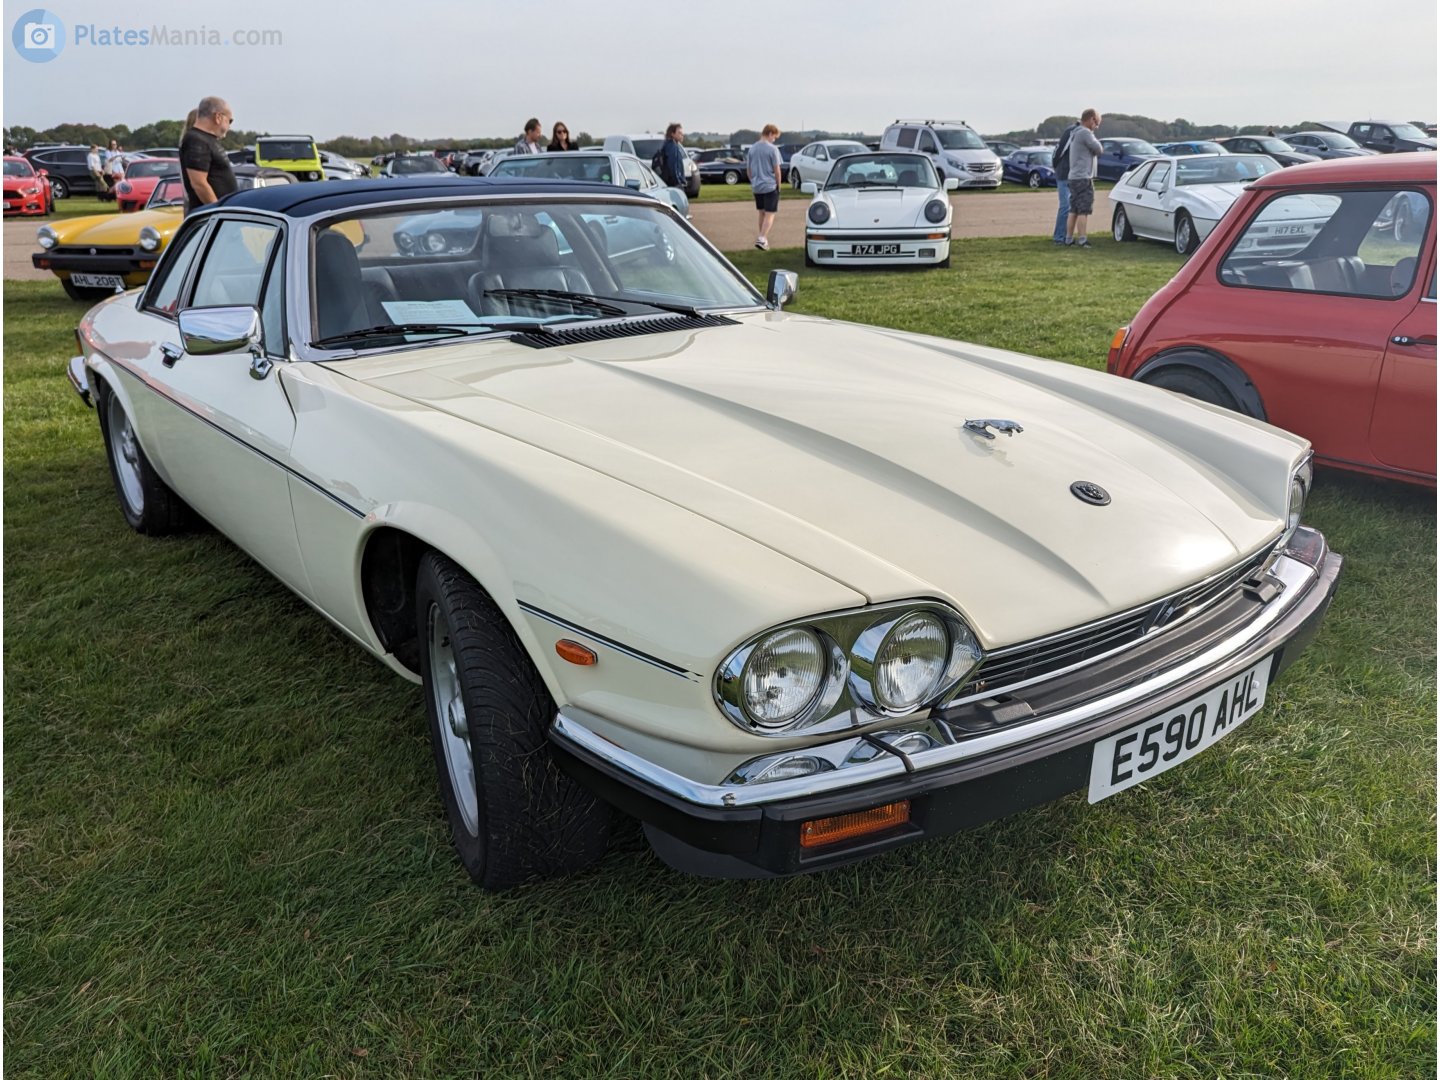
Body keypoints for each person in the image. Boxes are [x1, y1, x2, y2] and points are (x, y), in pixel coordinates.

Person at [179, 95, 237, 215]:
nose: (229, 126)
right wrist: (218, 212)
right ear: (218, 117)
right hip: (210, 219)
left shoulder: (207, 140)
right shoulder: (196, 140)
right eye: (229, 120)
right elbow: (199, 183)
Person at [1064, 108, 1104, 248]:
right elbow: (1099, 149)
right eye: (1097, 123)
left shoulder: (1075, 133)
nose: (1097, 127)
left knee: (1073, 209)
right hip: (1083, 177)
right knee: (1083, 210)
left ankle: (1068, 238)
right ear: (1091, 119)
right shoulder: (1086, 133)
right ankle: (1082, 239)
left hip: (1073, 177)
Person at [746, 124, 783, 250]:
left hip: (757, 185)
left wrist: (753, 182)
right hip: (769, 185)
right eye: (775, 137)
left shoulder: (752, 149)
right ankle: (762, 237)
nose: (774, 140)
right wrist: (779, 184)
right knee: (770, 213)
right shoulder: (772, 149)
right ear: (770, 134)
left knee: (761, 212)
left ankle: (763, 238)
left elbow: (749, 170)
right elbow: (777, 170)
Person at [1050, 117, 1081, 245]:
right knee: (1065, 206)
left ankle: (1066, 235)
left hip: (1071, 174)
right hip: (1064, 174)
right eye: (1096, 123)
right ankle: (1059, 237)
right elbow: (1059, 151)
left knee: (1070, 207)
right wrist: (1057, 166)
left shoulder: (1076, 131)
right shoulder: (1073, 131)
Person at [658, 122, 687, 189]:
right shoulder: (672, 146)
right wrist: (678, 181)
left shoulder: (671, 145)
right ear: (672, 134)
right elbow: (673, 166)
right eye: (679, 133)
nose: (682, 135)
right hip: (673, 183)